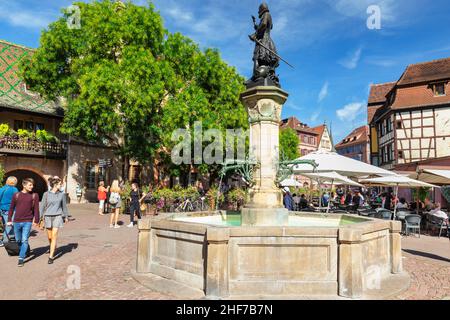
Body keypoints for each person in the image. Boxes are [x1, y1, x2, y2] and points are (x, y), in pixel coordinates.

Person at [6, 178, 40, 267]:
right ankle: (24, 250)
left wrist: (36, 220)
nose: (32, 187)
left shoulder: (34, 195)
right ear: (24, 185)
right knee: (18, 240)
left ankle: (21, 258)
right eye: (30, 185)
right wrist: (9, 219)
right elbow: (11, 208)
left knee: (25, 239)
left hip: (28, 221)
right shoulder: (16, 195)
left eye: (32, 185)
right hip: (16, 221)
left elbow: (36, 209)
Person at [40, 177, 69, 264]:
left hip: (58, 216)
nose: (61, 185)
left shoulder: (61, 194)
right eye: (60, 184)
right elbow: (42, 206)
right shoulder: (46, 194)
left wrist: (66, 216)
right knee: (50, 237)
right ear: (55, 185)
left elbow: (64, 206)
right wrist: (40, 217)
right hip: (48, 216)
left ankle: (51, 256)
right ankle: (52, 245)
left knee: (54, 235)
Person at [0, 176, 19, 247]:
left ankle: (13, 237)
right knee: (9, 225)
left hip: (2, 210)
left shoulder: (2, 189)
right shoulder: (14, 189)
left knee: (6, 224)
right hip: (10, 210)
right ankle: (4, 240)